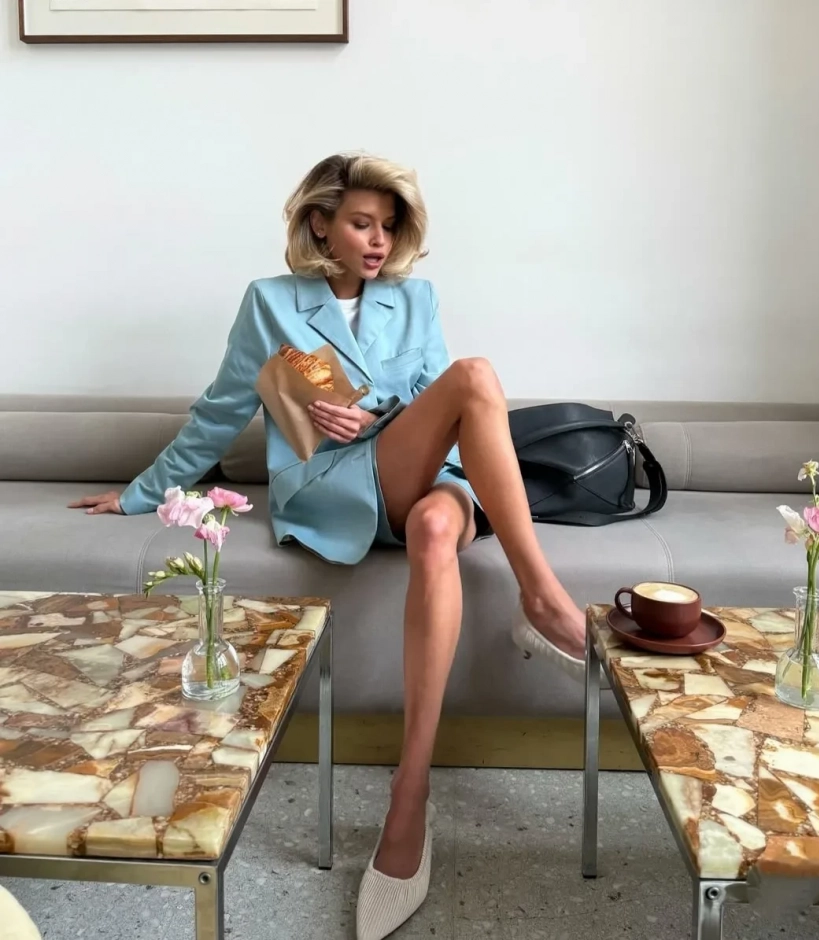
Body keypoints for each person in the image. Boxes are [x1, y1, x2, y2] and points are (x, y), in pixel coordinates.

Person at [70, 152, 586, 940]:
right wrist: (142, 492)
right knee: (477, 377)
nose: (378, 241)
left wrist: (380, 415)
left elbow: (432, 401)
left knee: (439, 521)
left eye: (388, 226)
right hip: (337, 484)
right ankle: (542, 599)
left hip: (422, 476)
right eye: (361, 224)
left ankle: (409, 795)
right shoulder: (270, 303)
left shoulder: (415, 299)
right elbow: (220, 411)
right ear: (320, 224)